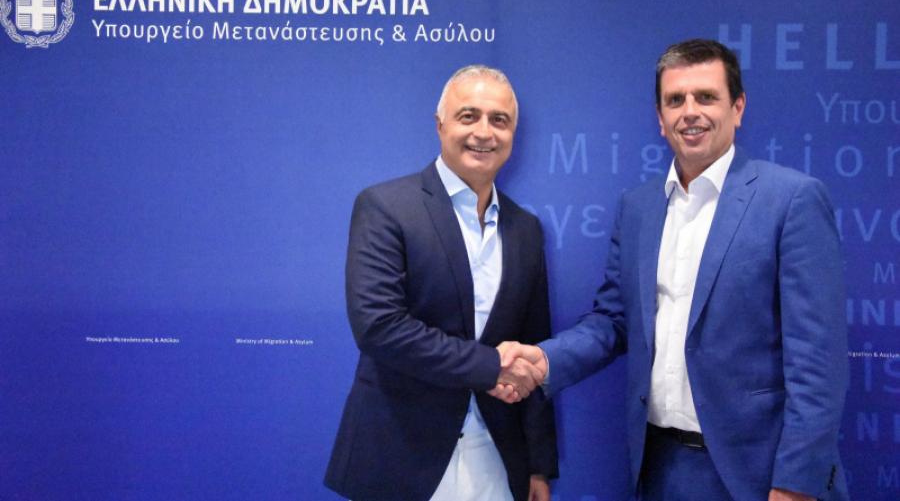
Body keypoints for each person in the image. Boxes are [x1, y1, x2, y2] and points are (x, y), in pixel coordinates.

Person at [500, 39, 848, 501]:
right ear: (660, 118)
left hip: (757, 475)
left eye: (706, 97)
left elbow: (817, 362)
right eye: (675, 100)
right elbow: (613, 321)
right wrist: (545, 361)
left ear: (738, 108)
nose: (690, 112)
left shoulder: (791, 200)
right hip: (659, 469)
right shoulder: (638, 208)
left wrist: (795, 484)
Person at [324, 65, 558, 501]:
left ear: (513, 134)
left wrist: (539, 465)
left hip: (497, 459)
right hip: (401, 457)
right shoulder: (386, 207)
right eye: (469, 116)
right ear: (440, 125)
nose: (484, 132)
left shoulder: (526, 229)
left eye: (499, 120)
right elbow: (379, 327)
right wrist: (490, 366)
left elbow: (534, 342)